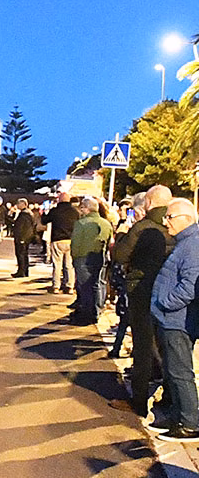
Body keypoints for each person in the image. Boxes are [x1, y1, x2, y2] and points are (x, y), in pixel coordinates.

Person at [109, 185, 173, 417]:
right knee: (165, 344)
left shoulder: (142, 227)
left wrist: (122, 234)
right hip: (168, 293)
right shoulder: (174, 227)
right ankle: (167, 394)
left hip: (142, 289)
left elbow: (120, 255)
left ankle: (138, 400)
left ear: (148, 203)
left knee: (143, 345)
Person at [147, 198, 199, 442]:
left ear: (186, 220)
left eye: (169, 217)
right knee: (172, 371)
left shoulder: (192, 246)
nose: (165, 221)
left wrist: (165, 303)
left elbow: (189, 288)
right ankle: (178, 416)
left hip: (178, 321)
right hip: (171, 319)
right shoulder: (184, 243)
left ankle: (189, 424)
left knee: (180, 373)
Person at [69, 196, 112, 325]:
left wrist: (74, 257)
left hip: (83, 257)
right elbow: (109, 241)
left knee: (84, 287)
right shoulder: (106, 223)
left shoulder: (81, 223)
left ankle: (86, 314)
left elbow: (75, 243)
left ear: (86, 209)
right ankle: (95, 311)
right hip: (98, 257)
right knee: (95, 285)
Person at [42, 193, 80, 294]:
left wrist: (44, 213)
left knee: (57, 264)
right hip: (71, 240)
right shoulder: (75, 212)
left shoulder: (55, 211)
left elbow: (44, 221)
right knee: (69, 265)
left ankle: (56, 286)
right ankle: (70, 286)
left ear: (59, 200)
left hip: (57, 239)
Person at [11, 198, 36, 278]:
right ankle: (24, 271)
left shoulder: (24, 214)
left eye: (19, 204)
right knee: (24, 254)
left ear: (24, 204)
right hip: (26, 237)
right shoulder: (28, 213)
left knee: (21, 254)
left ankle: (21, 271)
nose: (17, 205)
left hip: (22, 237)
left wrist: (21, 238)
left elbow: (22, 227)